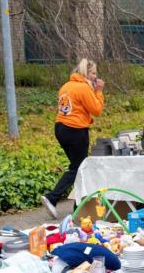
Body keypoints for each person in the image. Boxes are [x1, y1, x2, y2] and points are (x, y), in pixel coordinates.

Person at [42, 59, 105, 219]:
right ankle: (52, 197)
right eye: (93, 73)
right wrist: (99, 91)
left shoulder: (66, 86)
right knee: (79, 167)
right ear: (85, 73)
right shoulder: (83, 88)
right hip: (76, 130)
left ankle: (78, 205)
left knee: (77, 167)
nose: (95, 77)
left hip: (60, 128)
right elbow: (96, 110)